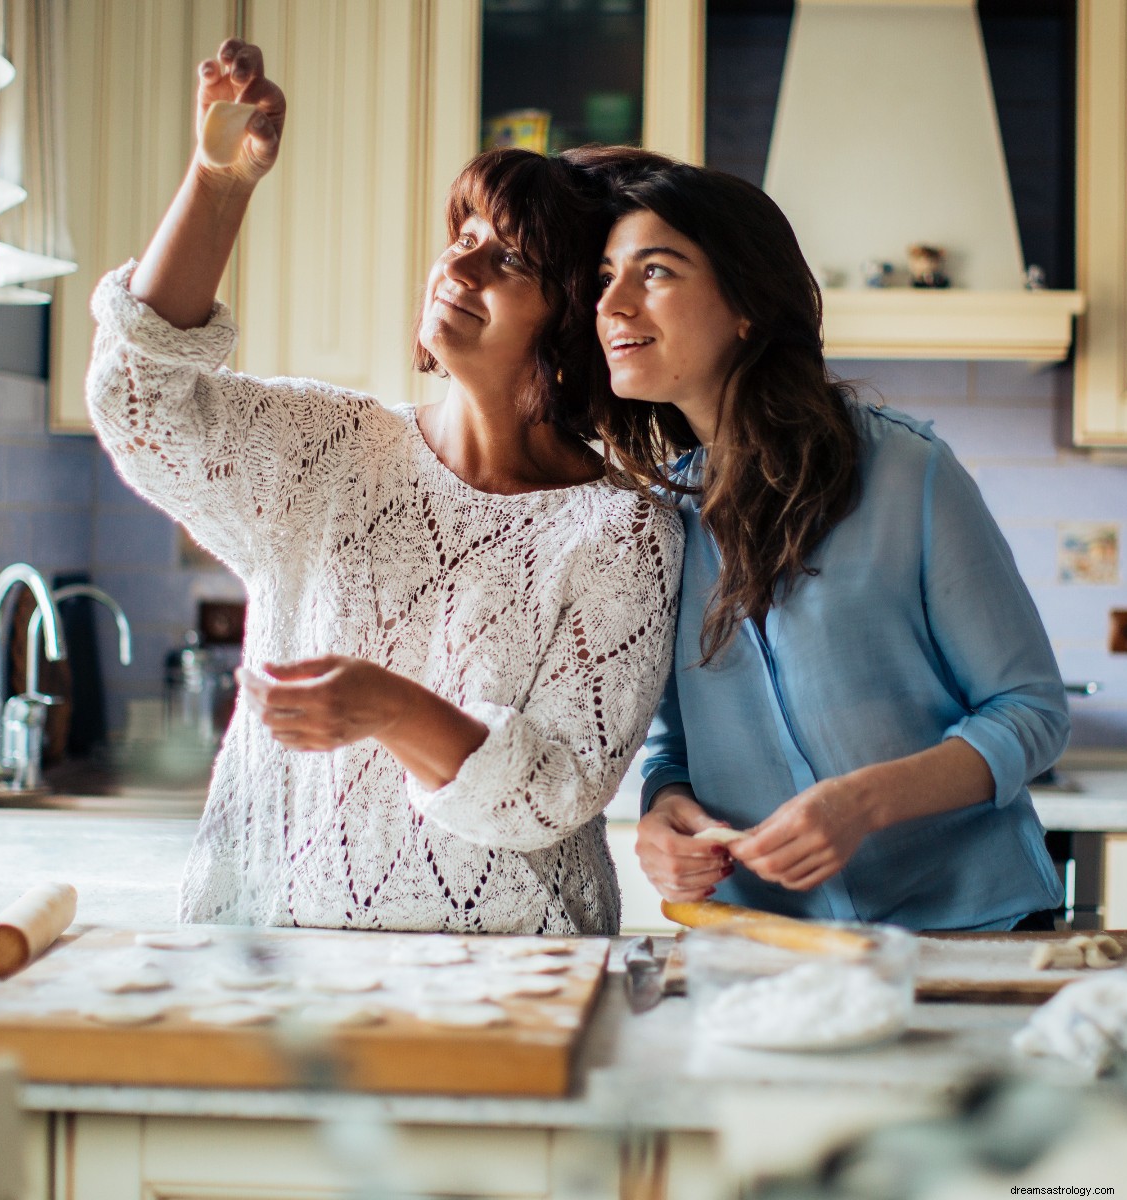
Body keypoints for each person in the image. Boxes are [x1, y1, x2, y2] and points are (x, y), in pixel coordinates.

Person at [86, 41, 682, 934]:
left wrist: (389, 706)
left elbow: (554, 791)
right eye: (464, 238)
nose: (461, 267)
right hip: (276, 955)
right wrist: (218, 183)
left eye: (510, 261)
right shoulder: (331, 448)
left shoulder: (622, 533)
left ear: (569, 327)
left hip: (520, 983)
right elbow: (138, 399)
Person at [583, 150, 1068, 931]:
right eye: (605, 277)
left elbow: (1031, 712)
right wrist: (664, 812)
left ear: (746, 304)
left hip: (973, 935)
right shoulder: (652, 518)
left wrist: (862, 803)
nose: (613, 303)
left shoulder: (908, 470)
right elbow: (675, 747)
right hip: (769, 948)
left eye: (656, 272)